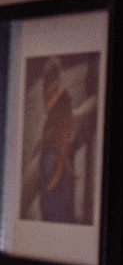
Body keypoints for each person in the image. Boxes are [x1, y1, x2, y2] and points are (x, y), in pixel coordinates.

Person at [32, 57, 78, 224]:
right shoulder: (55, 91)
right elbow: (49, 110)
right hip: (51, 145)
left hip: (57, 146)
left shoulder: (61, 92)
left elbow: (53, 111)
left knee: (57, 197)